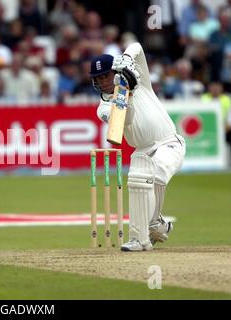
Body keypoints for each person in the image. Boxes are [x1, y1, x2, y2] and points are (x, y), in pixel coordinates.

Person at [90, 43, 186, 251]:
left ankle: (152, 226)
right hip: (141, 151)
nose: (102, 81)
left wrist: (126, 58)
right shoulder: (104, 107)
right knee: (135, 185)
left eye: (106, 76)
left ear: (115, 71)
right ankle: (141, 237)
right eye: (98, 78)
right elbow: (127, 119)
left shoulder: (141, 81)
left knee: (157, 173)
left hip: (168, 142)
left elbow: (137, 47)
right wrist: (127, 94)